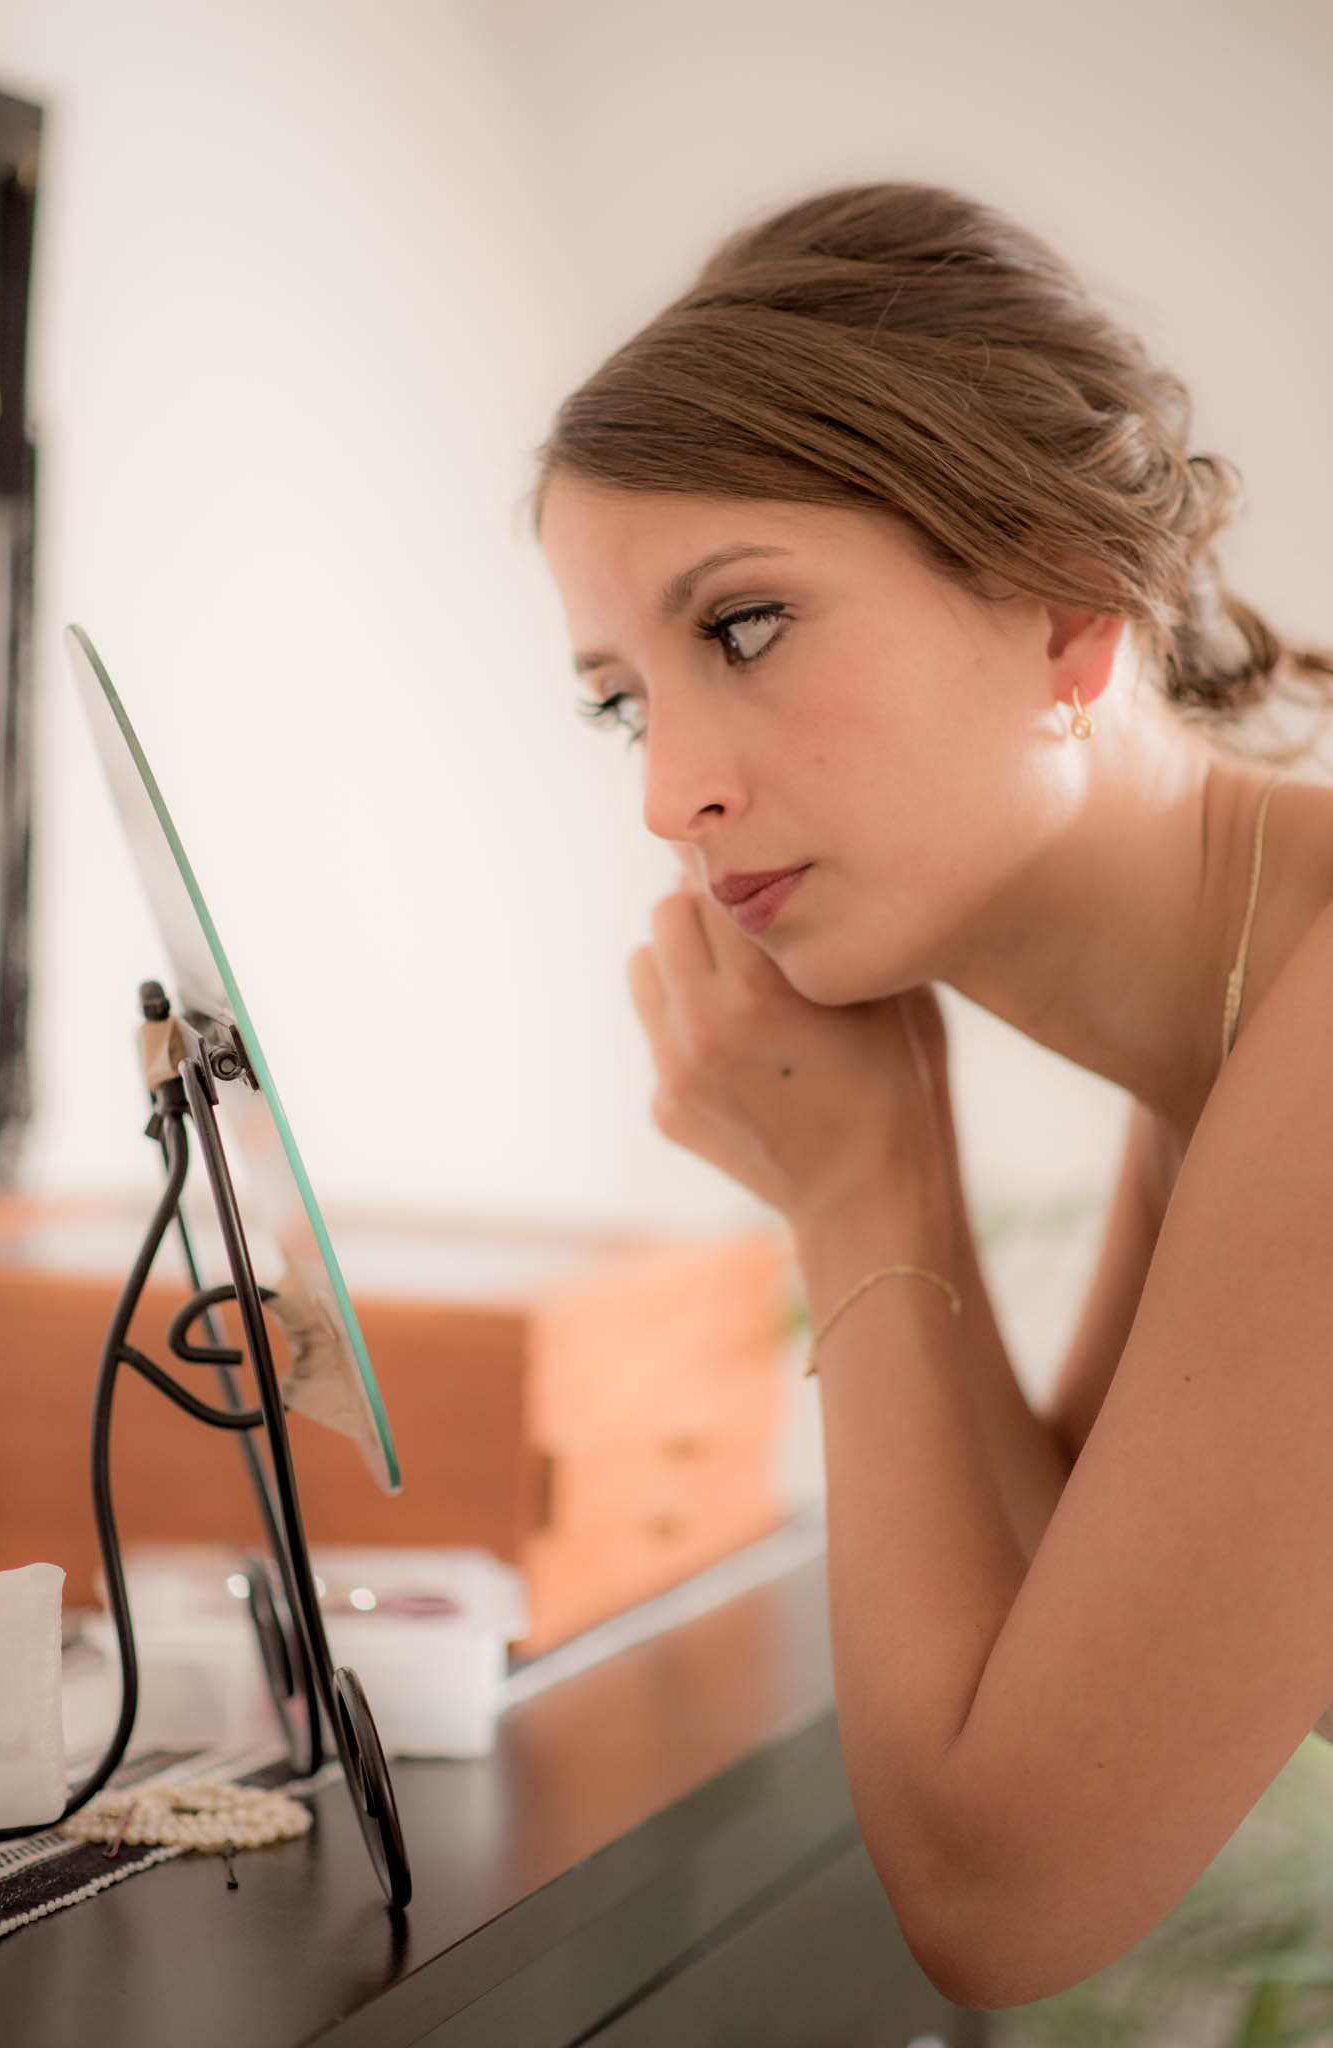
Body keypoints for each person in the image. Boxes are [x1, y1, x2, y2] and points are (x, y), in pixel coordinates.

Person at [531, 182, 1333, 2011]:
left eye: (744, 627)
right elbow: (1066, 1625)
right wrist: (887, 1153)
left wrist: (860, 1200)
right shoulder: (1234, 1019)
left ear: (1063, 609)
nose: (667, 793)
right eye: (620, 699)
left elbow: (1006, 1896)